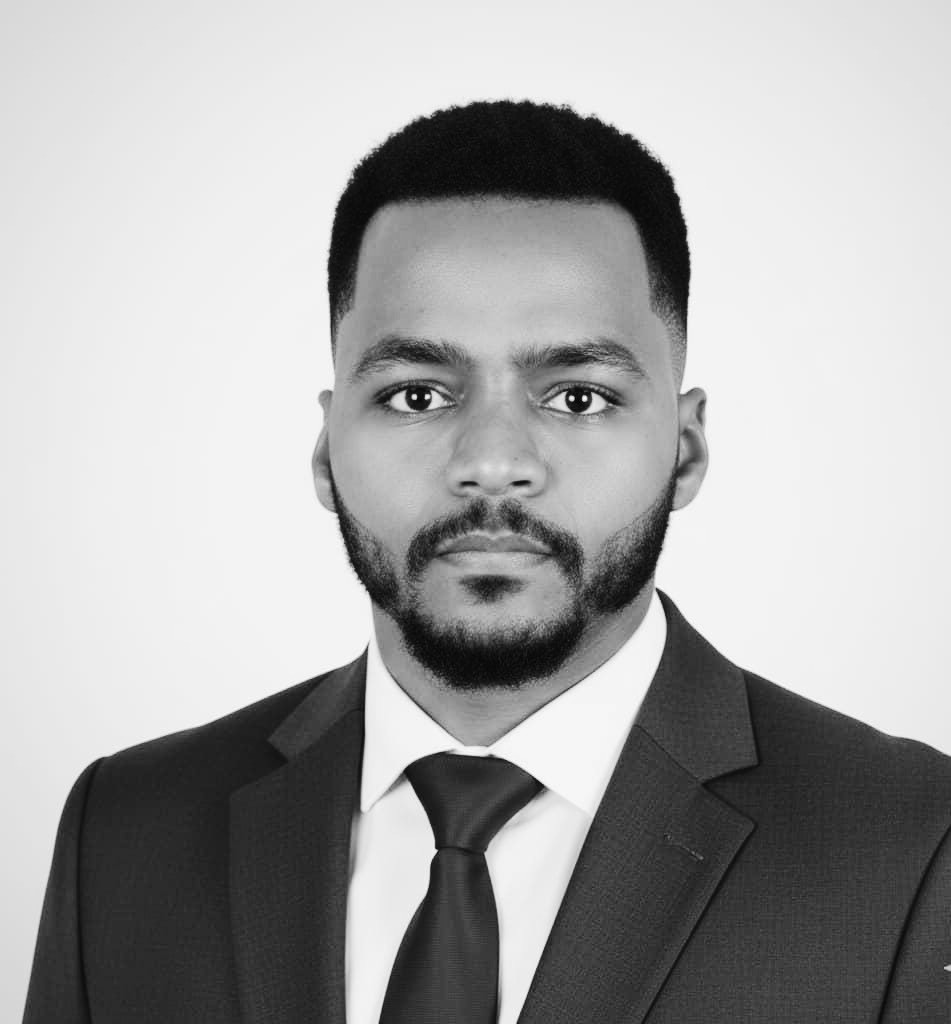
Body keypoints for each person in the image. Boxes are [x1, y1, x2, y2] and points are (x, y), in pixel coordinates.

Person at [24, 99, 951, 1024]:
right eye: (417, 393)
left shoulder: (915, 846)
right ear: (323, 450)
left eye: (578, 396)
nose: (492, 462)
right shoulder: (126, 829)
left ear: (685, 449)